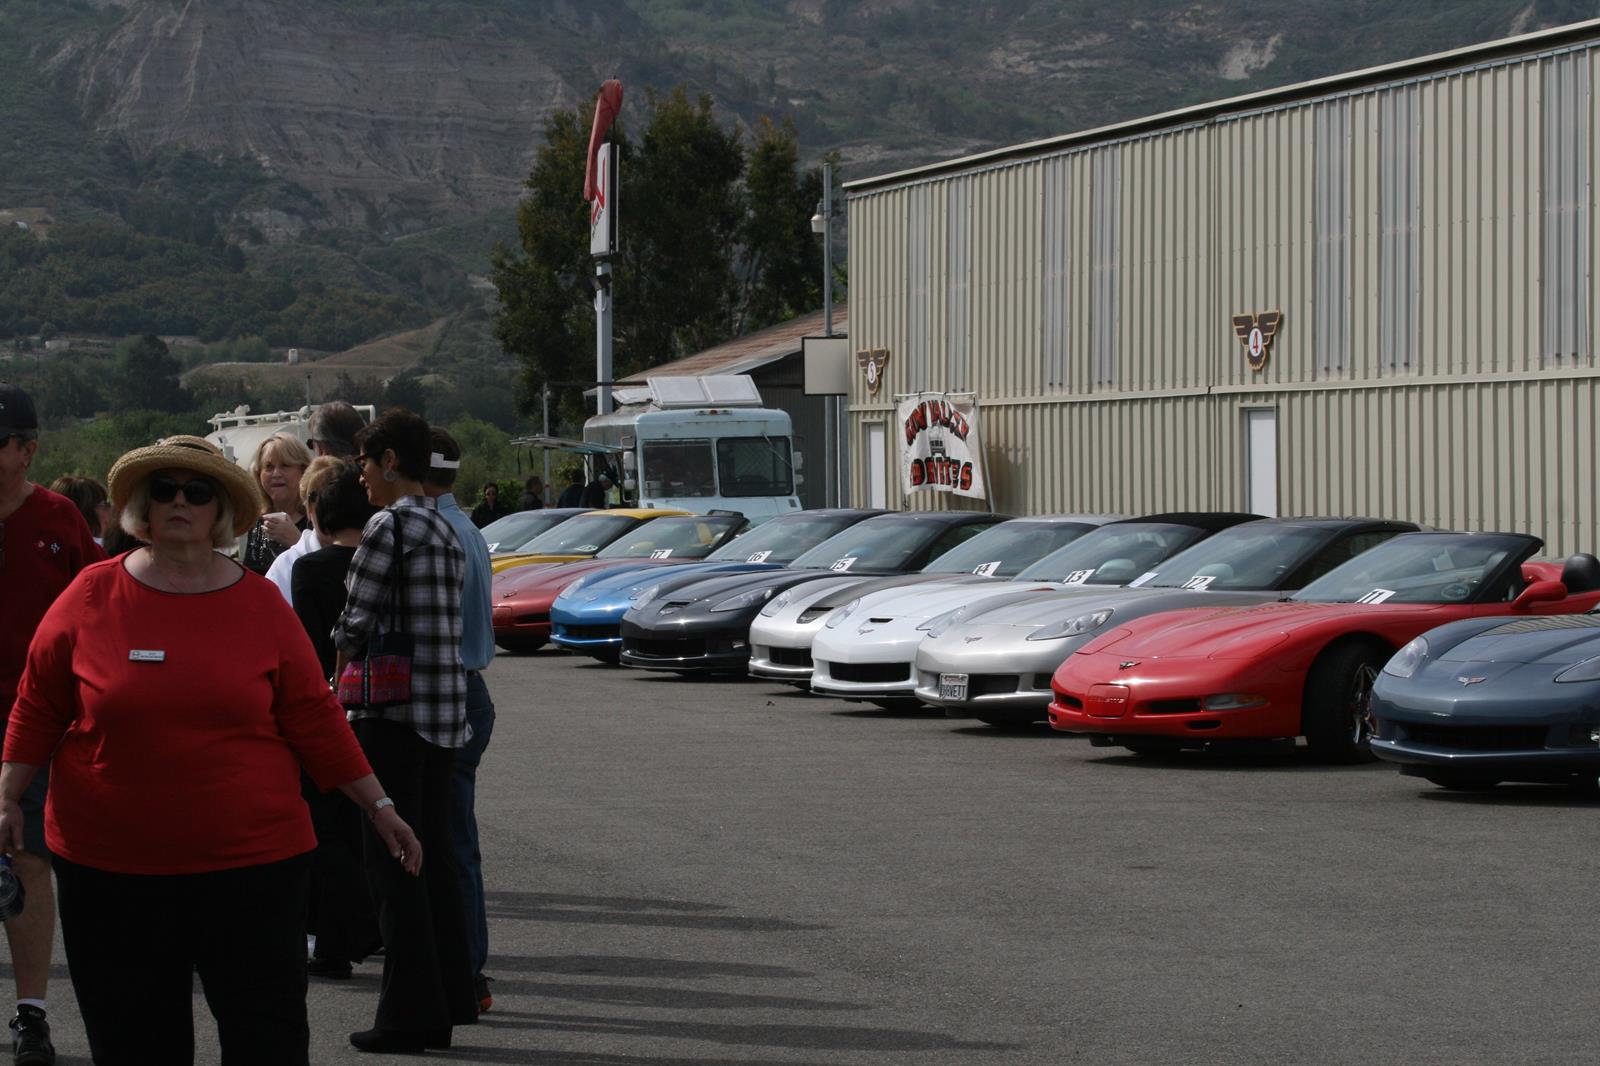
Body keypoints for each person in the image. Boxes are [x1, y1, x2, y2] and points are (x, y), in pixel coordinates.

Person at [2, 434, 421, 1066]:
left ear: (221, 509)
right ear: (141, 505)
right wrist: (7, 796)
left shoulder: (260, 603)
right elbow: (38, 704)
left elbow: (313, 717)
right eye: (163, 490)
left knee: (266, 1040)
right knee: (135, 1042)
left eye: (197, 491)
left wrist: (378, 805)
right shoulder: (90, 595)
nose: (179, 502)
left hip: (252, 867)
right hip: (110, 870)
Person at [335, 409, 477, 1053]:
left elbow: (353, 622)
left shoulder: (388, 526)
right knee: (437, 862)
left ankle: (408, 1017)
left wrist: (335, 660)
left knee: (395, 865)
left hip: (391, 713)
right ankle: (451, 995)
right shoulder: (444, 528)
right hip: (445, 714)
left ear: (391, 461)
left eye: (366, 463)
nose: (361, 476)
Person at [0, 384, 103, 1066]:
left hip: (35, 727)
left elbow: (98, 615)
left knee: (28, 864)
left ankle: (31, 1014)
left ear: (26, 450)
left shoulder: (58, 519)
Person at [291, 462, 380, 981]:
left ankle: (332, 941)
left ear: (320, 516)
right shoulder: (385, 562)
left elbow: (308, 644)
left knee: (326, 827)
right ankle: (374, 926)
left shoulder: (310, 569)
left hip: (328, 702)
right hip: (384, 700)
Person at [422, 428, 496, 1014]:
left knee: (450, 843)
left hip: (453, 693)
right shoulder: (464, 527)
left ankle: (465, 970)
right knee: (454, 839)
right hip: (471, 688)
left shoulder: (437, 532)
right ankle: (464, 967)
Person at [265, 456, 341, 605]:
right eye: (317, 497)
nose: (329, 505)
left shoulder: (365, 554)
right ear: (308, 507)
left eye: (337, 495)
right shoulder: (286, 566)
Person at [242, 433, 312, 574]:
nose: (276, 474)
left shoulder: (315, 519)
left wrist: (297, 541)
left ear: (303, 471)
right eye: (268, 467)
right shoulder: (256, 521)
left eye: (285, 466)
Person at [46, 477, 110, 547]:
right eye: (105, 504)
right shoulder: (100, 552)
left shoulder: (47, 549)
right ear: (86, 512)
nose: (110, 510)